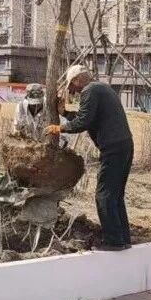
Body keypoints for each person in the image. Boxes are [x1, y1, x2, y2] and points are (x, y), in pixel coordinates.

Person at [45, 64, 134, 251]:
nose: (73, 90)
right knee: (115, 195)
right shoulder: (101, 88)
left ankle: (113, 241)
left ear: (78, 80)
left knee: (104, 195)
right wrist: (65, 114)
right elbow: (88, 117)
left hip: (112, 148)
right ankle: (123, 238)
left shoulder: (89, 91)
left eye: (72, 85)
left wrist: (59, 128)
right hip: (124, 145)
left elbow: (83, 122)